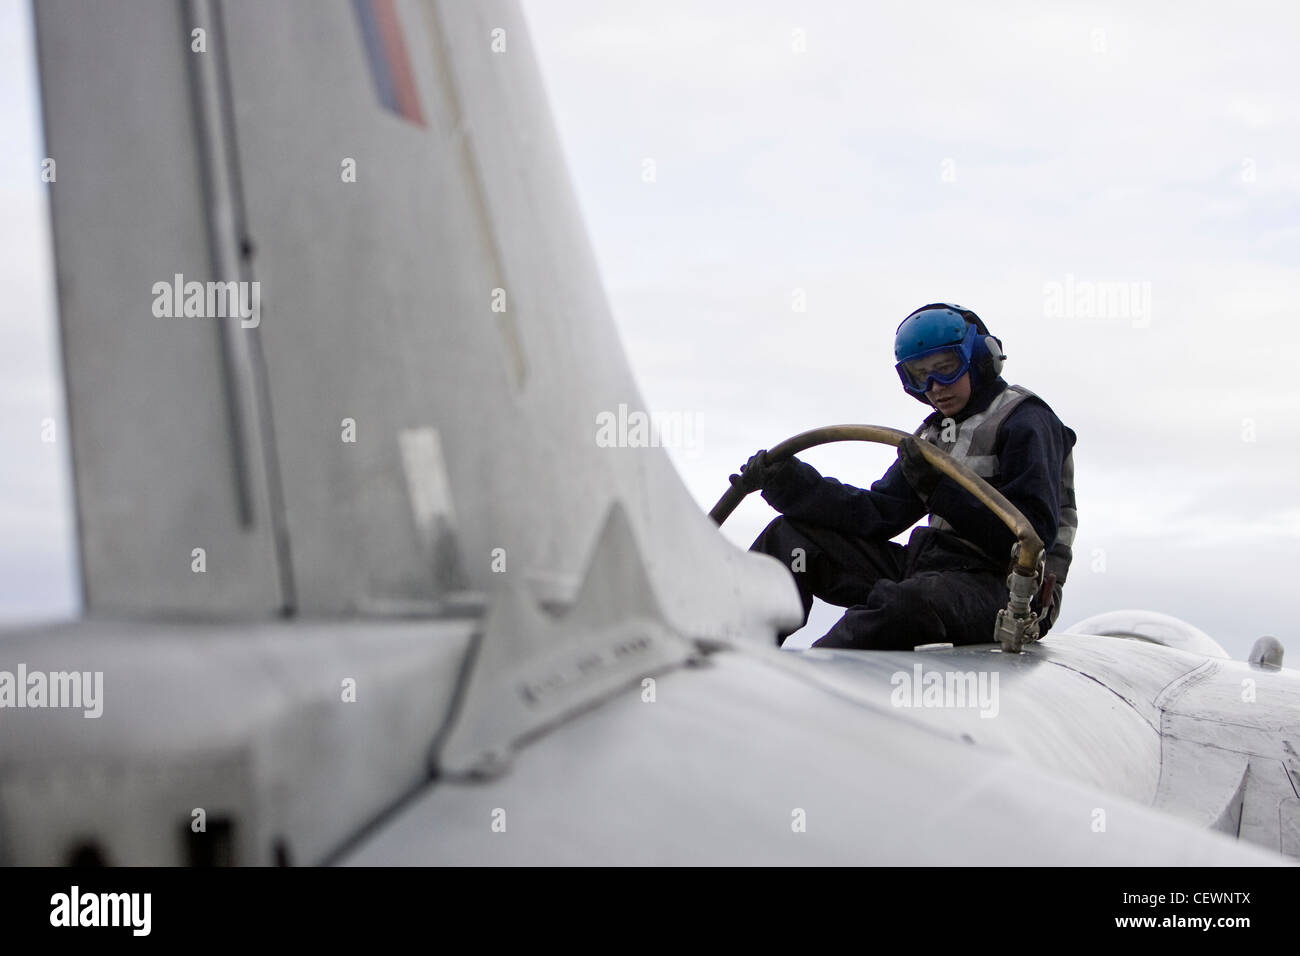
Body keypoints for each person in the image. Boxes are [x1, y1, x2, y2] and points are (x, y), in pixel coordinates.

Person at [734, 303, 1077, 650]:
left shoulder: (1026, 420)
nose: (934, 387)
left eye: (946, 369)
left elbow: (1033, 536)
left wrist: (939, 490)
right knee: (789, 538)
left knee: (907, 603)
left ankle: (811, 684)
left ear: (979, 357)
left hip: (1004, 590)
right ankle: (734, 658)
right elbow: (877, 515)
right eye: (919, 375)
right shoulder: (932, 436)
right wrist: (791, 485)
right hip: (929, 569)